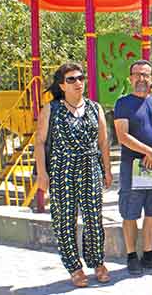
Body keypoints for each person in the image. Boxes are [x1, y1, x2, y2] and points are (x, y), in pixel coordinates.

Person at [35, 62, 113, 287]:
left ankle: (97, 262)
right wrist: (42, 172)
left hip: (90, 166)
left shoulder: (94, 108)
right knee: (65, 218)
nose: (78, 82)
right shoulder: (52, 109)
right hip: (62, 168)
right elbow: (39, 142)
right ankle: (74, 267)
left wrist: (106, 170)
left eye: (80, 78)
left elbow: (103, 142)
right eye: (71, 79)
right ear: (62, 85)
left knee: (93, 218)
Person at [113, 60, 152, 275]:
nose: (141, 79)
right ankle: (132, 256)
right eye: (137, 74)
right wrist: (149, 152)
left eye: (146, 75)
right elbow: (122, 136)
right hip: (133, 166)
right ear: (130, 78)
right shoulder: (122, 103)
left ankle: (148, 255)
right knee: (130, 213)